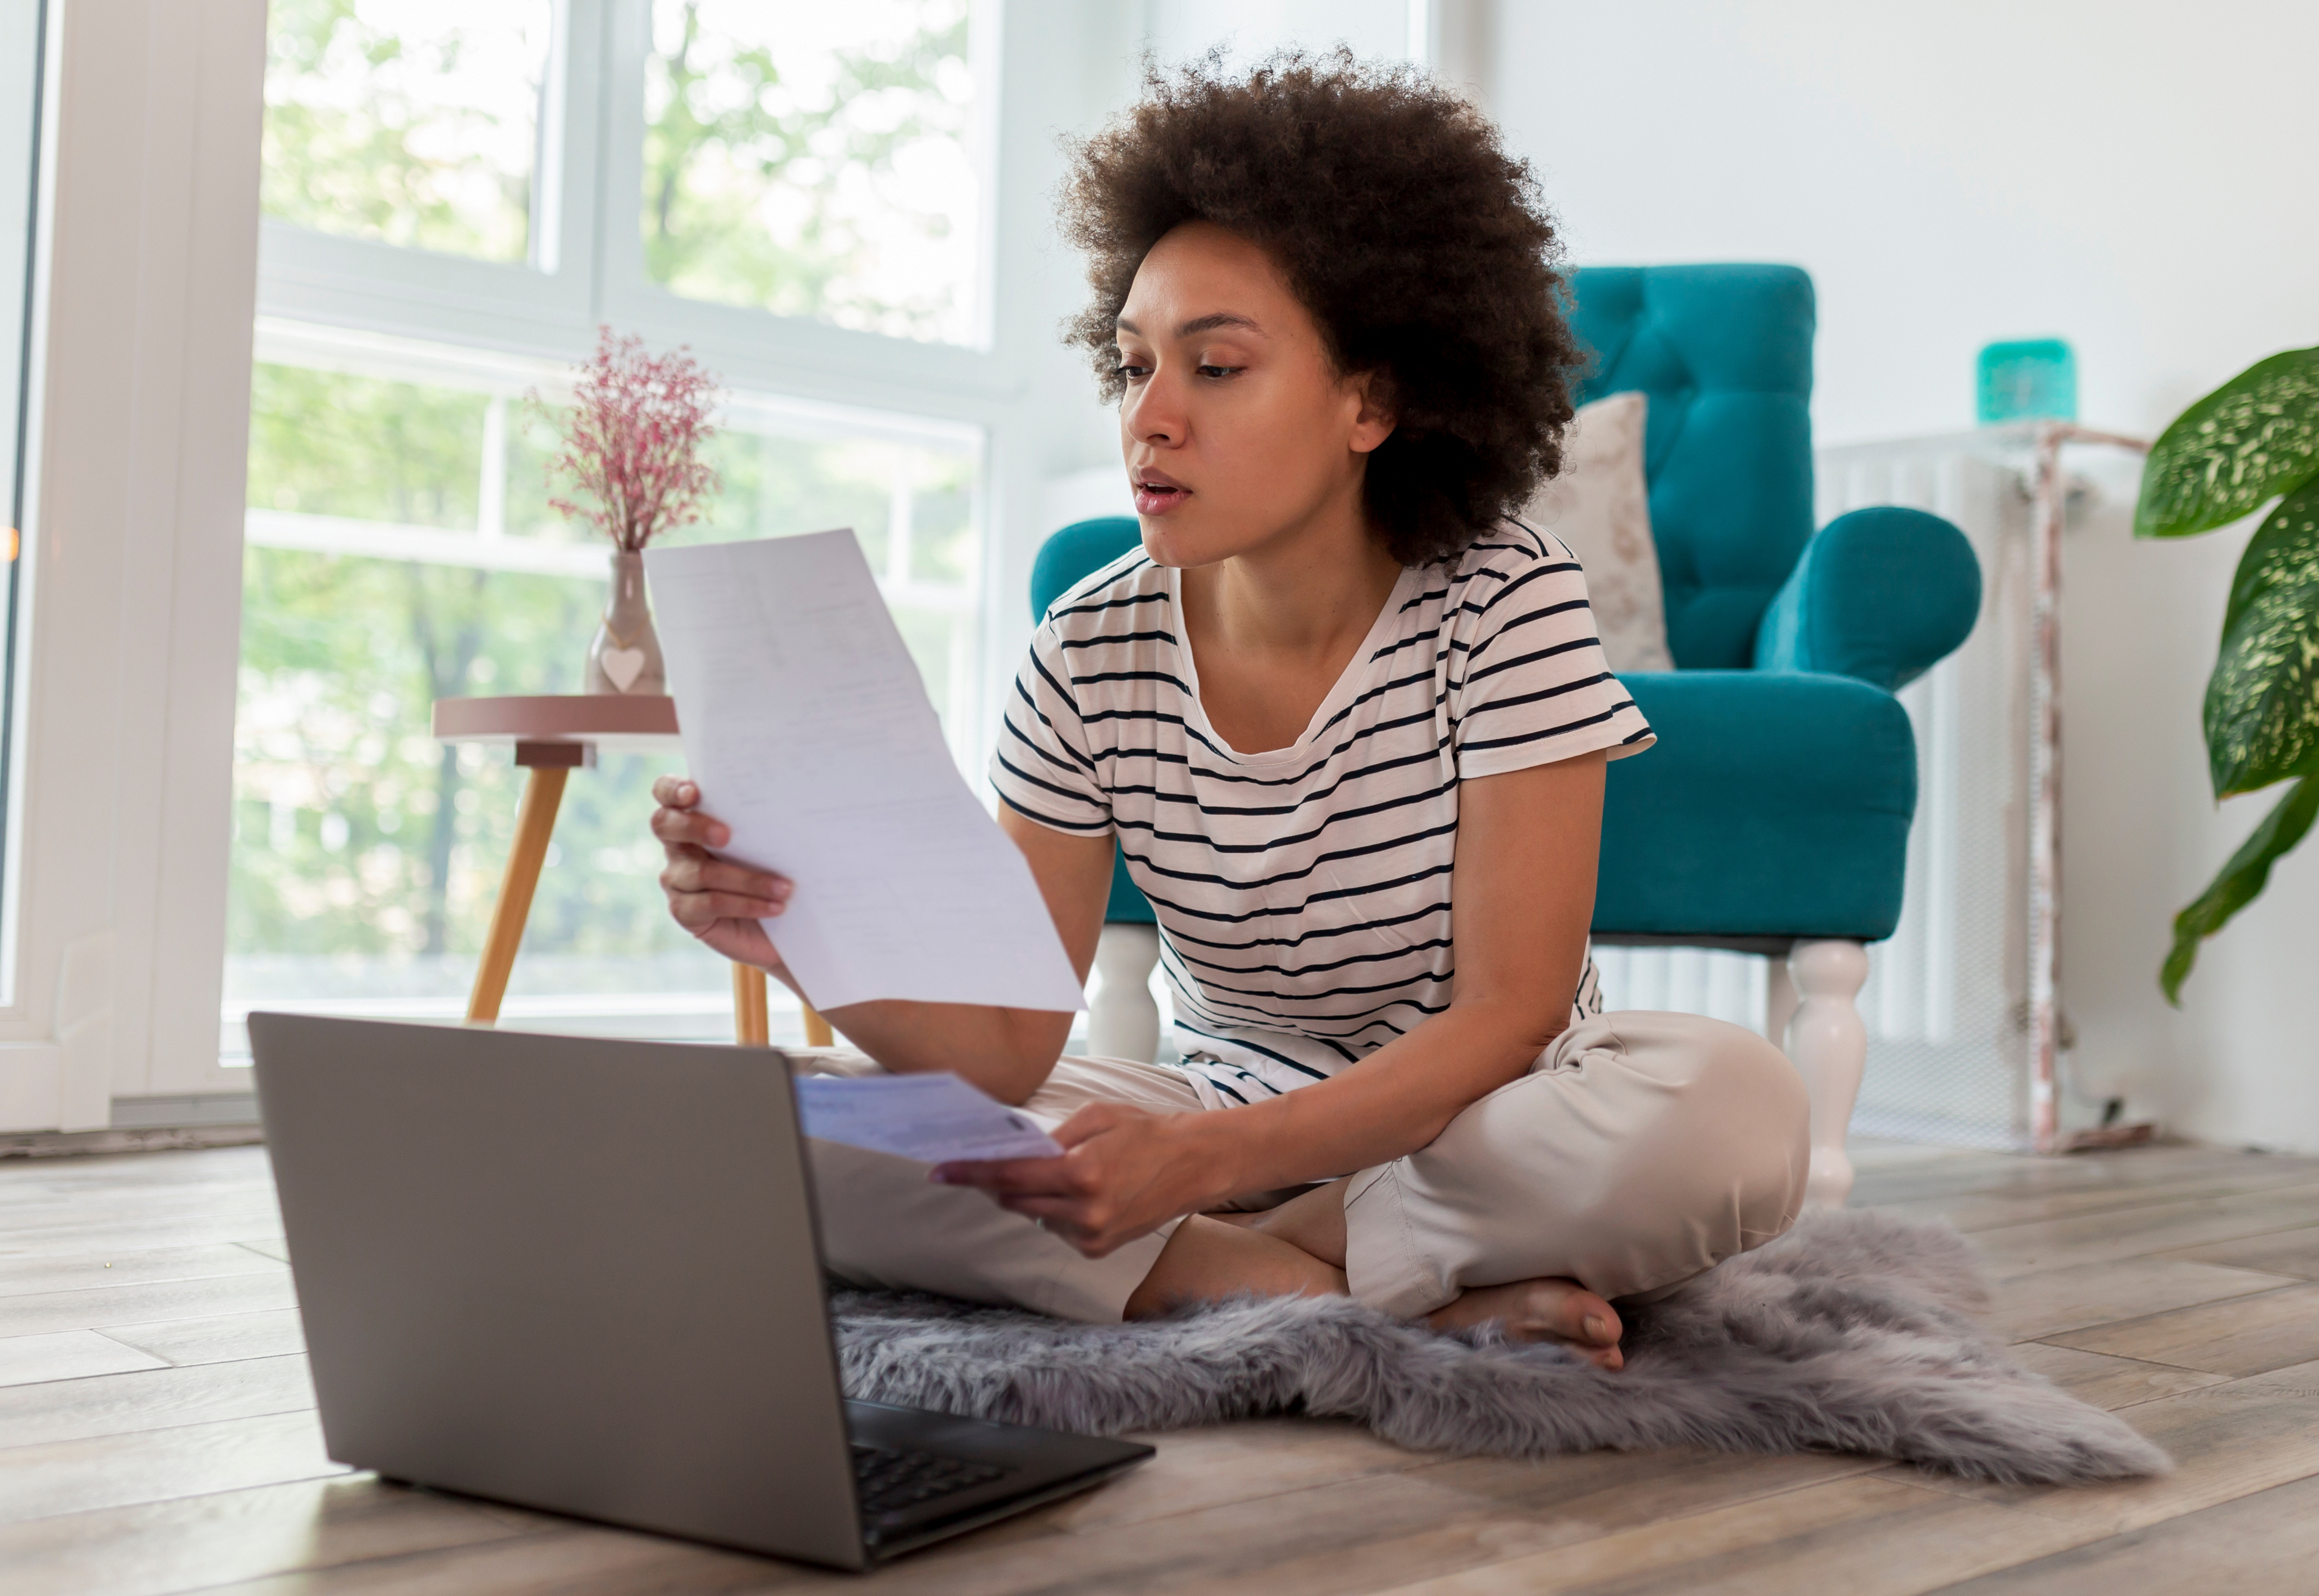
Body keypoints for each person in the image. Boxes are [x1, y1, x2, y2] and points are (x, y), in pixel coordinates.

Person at [651, 53, 1807, 1372]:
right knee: (790, 1128)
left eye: (1214, 367)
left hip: (1476, 1123)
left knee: (1732, 1107)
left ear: (1370, 401)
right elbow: (1010, 1043)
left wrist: (1196, 1166)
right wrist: (801, 937)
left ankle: (1244, 1260)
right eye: (1134, 364)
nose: (1148, 418)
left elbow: (1510, 1014)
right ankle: (1363, 1297)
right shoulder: (1085, 645)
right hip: (1203, 1105)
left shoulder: (1504, 601)